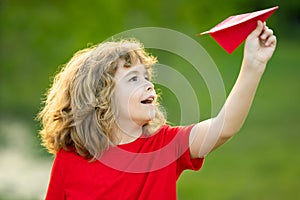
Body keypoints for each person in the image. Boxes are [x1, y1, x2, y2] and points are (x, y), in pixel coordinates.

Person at [37, 20, 276, 200]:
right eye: (133, 79)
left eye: (147, 76)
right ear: (100, 97)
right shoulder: (69, 160)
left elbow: (223, 128)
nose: (149, 84)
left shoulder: (165, 145)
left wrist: (253, 65)